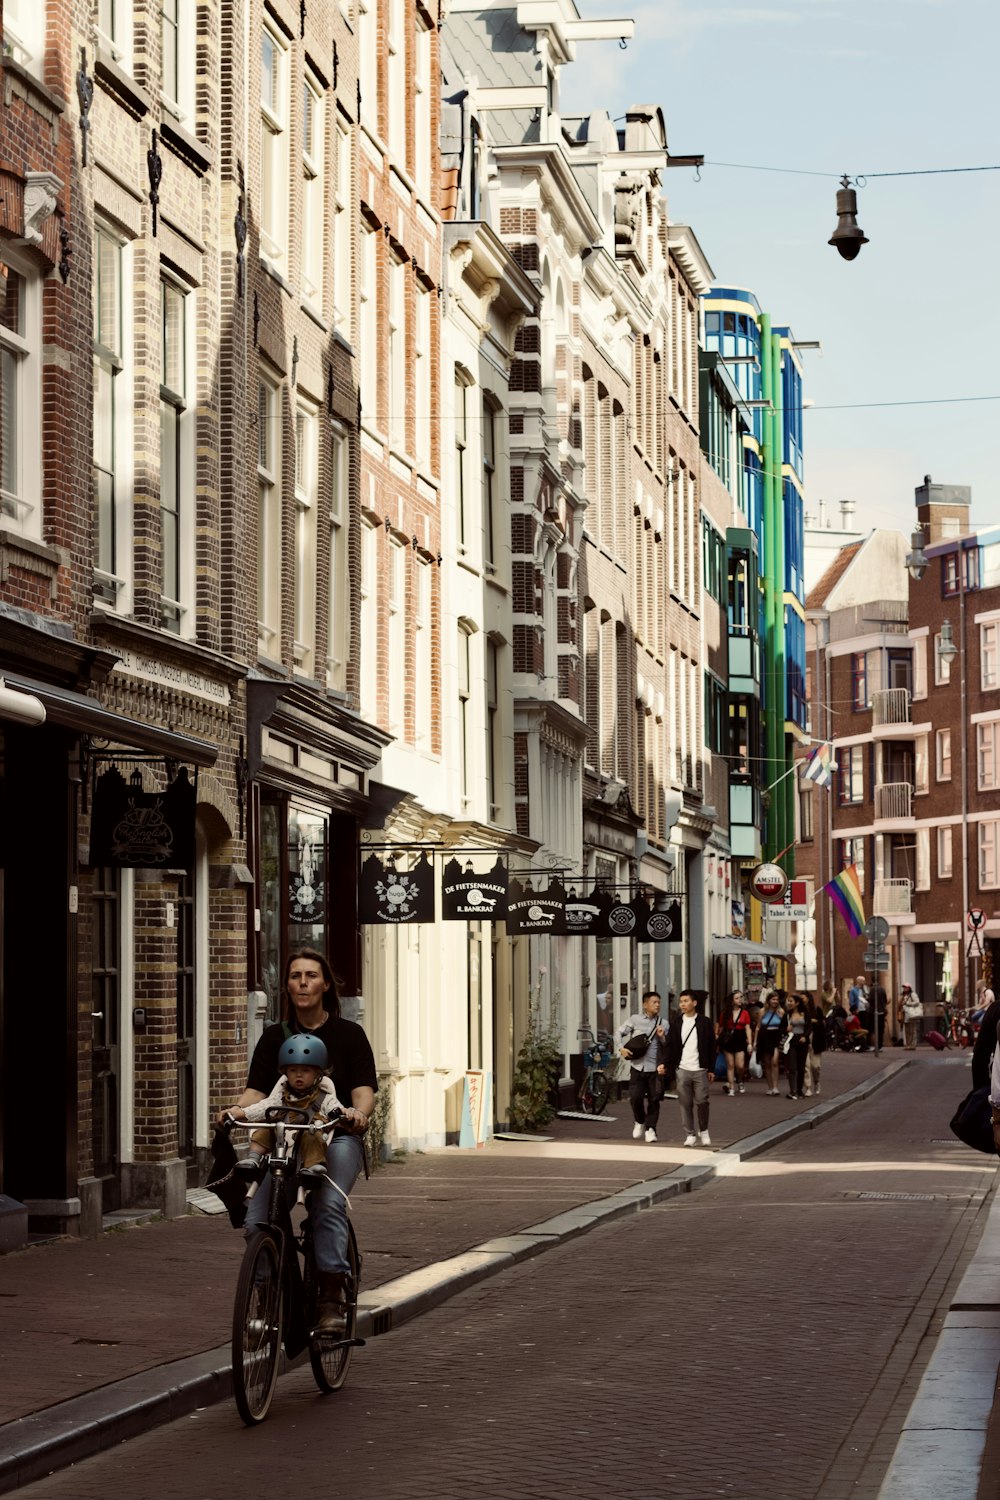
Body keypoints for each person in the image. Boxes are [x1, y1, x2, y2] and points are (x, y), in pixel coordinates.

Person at [219, 948, 376, 1332]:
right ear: (286, 986)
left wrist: (359, 1116)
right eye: (295, 976)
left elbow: (363, 1089)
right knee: (258, 1218)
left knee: (326, 1204)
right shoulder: (275, 1036)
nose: (302, 982)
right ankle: (265, 1296)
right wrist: (234, 1112)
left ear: (325, 985)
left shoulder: (349, 1034)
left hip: (333, 1135)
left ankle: (330, 1299)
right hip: (286, 1137)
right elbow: (258, 1093)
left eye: (310, 975)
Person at [229, 1033, 341, 1176]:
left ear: (317, 1073)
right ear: (286, 1073)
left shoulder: (325, 1097)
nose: (298, 1075)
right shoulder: (281, 1095)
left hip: (308, 1134)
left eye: (305, 1070)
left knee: (313, 1136)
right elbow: (264, 1107)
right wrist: (241, 1113)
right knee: (265, 1129)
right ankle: (254, 1158)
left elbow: (336, 1109)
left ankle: (313, 1166)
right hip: (280, 1136)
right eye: (293, 1070)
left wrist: (344, 1115)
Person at [662, 988, 716, 1147]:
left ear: (695, 1003)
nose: (682, 1004)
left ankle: (704, 1130)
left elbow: (712, 1046)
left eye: (686, 1001)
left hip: (700, 1069)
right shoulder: (677, 1022)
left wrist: (711, 1068)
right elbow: (670, 1046)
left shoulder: (705, 1022)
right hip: (682, 1069)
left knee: (702, 1101)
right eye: (681, 1002)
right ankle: (690, 1134)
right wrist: (665, 1064)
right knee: (685, 1103)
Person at [618, 990, 667, 1143]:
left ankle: (651, 1129)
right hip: (637, 1066)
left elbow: (668, 1046)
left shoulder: (663, 1023)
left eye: (659, 1002)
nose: (657, 1005)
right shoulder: (635, 1019)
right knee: (635, 1098)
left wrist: (662, 1037)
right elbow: (618, 1032)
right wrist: (621, 1048)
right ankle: (639, 1121)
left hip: (655, 1068)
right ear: (645, 1004)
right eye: (654, 1002)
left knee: (654, 1099)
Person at [716, 989, 753, 1096]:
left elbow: (748, 1028)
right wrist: (718, 1040)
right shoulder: (725, 1013)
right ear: (731, 1000)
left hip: (740, 1038)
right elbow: (721, 1027)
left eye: (741, 997)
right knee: (730, 1065)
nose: (740, 1000)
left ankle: (740, 1080)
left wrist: (749, 1043)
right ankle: (731, 1087)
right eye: (737, 998)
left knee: (740, 1065)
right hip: (728, 1039)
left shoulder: (745, 1013)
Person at [753, 988, 787, 1096]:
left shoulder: (781, 1012)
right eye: (773, 999)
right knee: (767, 1063)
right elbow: (758, 1027)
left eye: (777, 999)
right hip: (765, 1037)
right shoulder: (762, 1011)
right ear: (768, 1000)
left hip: (776, 1036)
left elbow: (785, 1025)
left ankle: (776, 1087)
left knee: (775, 1062)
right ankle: (770, 1087)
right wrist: (755, 1042)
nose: (775, 1001)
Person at [784, 994, 809, 1099]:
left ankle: (799, 1089)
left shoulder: (805, 1014)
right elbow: (781, 1029)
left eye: (791, 1001)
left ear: (797, 1003)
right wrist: (786, 1029)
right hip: (792, 1041)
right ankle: (792, 1090)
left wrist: (805, 1036)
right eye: (788, 1001)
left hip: (802, 1041)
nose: (789, 1003)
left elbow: (809, 1027)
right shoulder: (787, 1015)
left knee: (801, 1068)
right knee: (792, 1067)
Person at [803, 993, 827, 1096]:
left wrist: (815, 1021)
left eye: (803, 998)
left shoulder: (817, 1010)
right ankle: (808, 1087)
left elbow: (822, 1024)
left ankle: (816, 1082)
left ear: (808, 999)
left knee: (815, 1066)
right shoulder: (799, 1011)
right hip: (804, 1040)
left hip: (815, 1040)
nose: (802, 1000)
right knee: (806, 1065)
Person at [899, 984, 923, 1050]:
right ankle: (908, 1044)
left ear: (909, 988)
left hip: (912, 1015)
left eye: (906, 987)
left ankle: (913, 1045)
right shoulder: (904, 995)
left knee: (912, 1030)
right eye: (904, 987)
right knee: (907, 1031)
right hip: (906, 1015)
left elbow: (917, 1002)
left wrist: (908, 1004)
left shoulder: (913, 994)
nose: (904, 989)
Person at [869, 981, 888, 1050]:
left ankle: (874, 1045)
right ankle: (880, 1045)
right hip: (882, 1012)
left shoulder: (872, 989)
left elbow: (870, 1000)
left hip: (874, 1012)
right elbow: (885, 1000)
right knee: (881, 1029)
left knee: (874, 1029)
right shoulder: (882, 989)